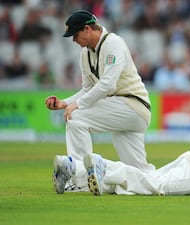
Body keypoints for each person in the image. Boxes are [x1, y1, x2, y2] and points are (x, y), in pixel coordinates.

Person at [45, 10, 155, 194]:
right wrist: (65, 102)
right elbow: (88, 88)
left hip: (132, 105)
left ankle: (78, 179)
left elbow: (107, 84)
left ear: (87, 29)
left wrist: (76, 106)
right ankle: (165, 183)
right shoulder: (85, 54)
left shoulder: (113, 43)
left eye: (75, 35)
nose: (73, 41)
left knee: (76, 117)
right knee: (139, 174)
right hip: (124, 113)